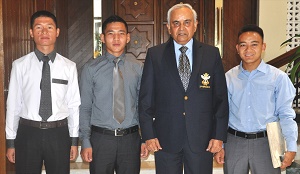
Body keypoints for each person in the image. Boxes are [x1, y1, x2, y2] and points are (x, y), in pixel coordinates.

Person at [138, 3, 229, 174]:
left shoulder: (211, 54)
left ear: (195, 25)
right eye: (176, 23)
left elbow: (221, 100)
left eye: (187, 22)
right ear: (168, 27)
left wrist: (218, 136)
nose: (181, 28)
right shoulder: (155, 55)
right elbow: (145, 100)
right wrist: (148, 135)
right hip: (165, 139)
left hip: (202, 139)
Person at [214, 24, 298, 174]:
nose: (248, 50)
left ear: (263, 46)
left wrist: (291, 147)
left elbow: (286, 114)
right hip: (234, 141)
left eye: (254, 45)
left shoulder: (278, 78)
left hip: (266, 142)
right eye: (243, 45)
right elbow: (222, 114)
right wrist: (221, 145)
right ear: (237, 48)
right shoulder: (228, 77)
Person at [5, 10, 81, 174]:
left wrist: (74, 140)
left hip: (59, 134)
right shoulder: (20, 65)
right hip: (28, 133)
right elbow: (13, 105)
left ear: (57, 32)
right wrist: (10, 141)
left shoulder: (69, 66)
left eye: (49, 27)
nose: (44, 32)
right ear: (31, 33)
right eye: (39, 27)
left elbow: (74, 105)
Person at [79, 15, 148, 174]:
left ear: (128, 37)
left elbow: (142, 106)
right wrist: (86, 141)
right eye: (111, 33)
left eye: (121, 33)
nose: (116, 38)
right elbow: (84, 107)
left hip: (130, 139)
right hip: (101, 140)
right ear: (102, 38)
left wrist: (144, 138)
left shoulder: (138, 68)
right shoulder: (91, 69)